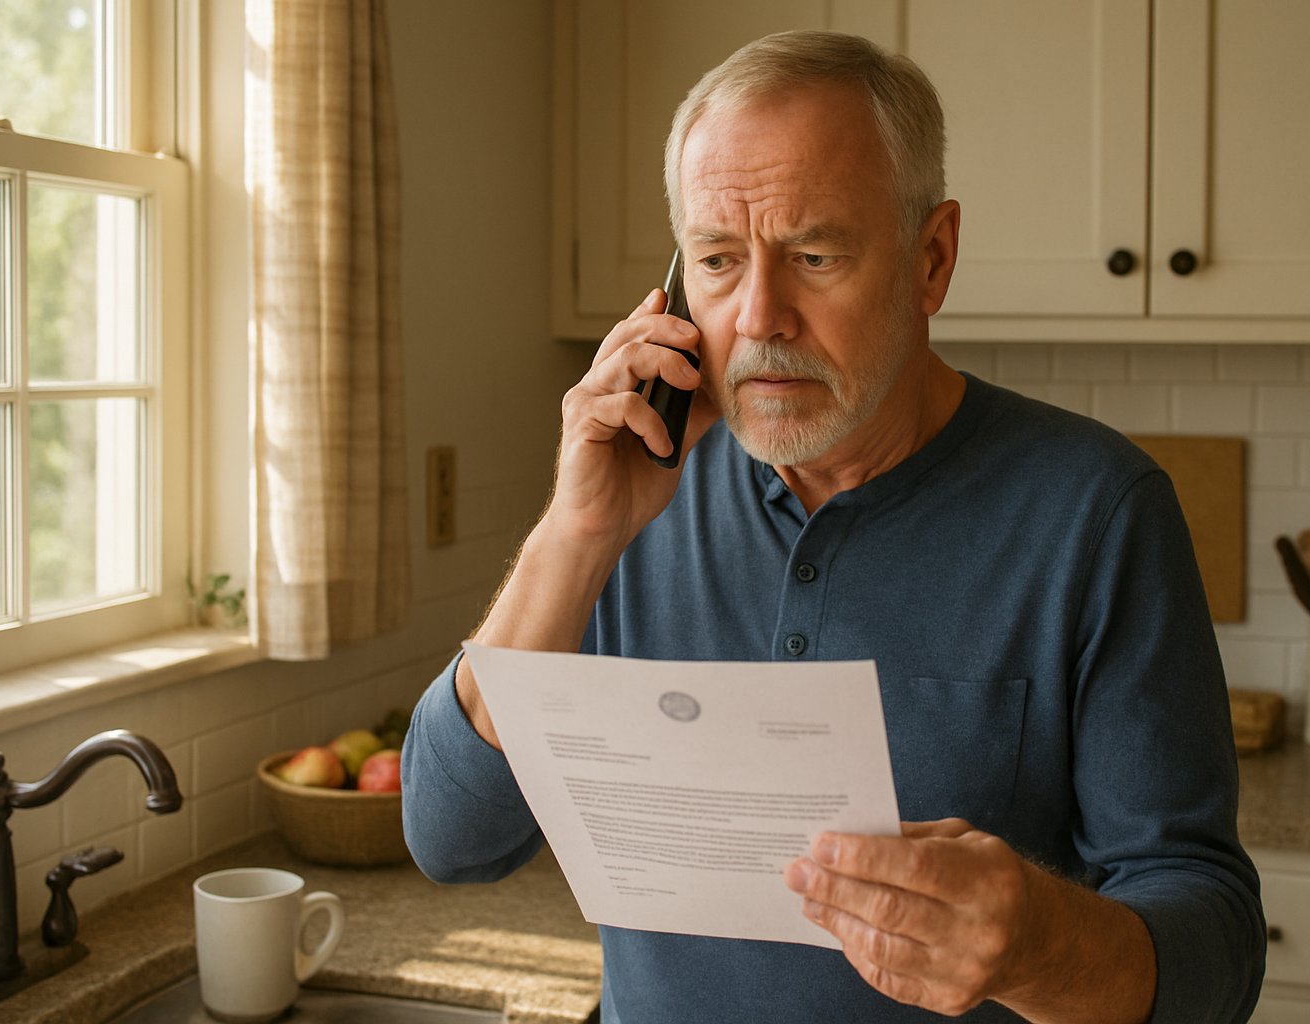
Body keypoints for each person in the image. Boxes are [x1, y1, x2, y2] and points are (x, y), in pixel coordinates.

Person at [402, 29, 1265, 1024]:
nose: (761, 316)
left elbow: (1219, 950)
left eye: (815, 255)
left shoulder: (1097, 510)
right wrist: (577, 531)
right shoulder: (635, 492)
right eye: (719, 261)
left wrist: (1039, 945)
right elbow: (450, 837)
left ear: (931, 259)